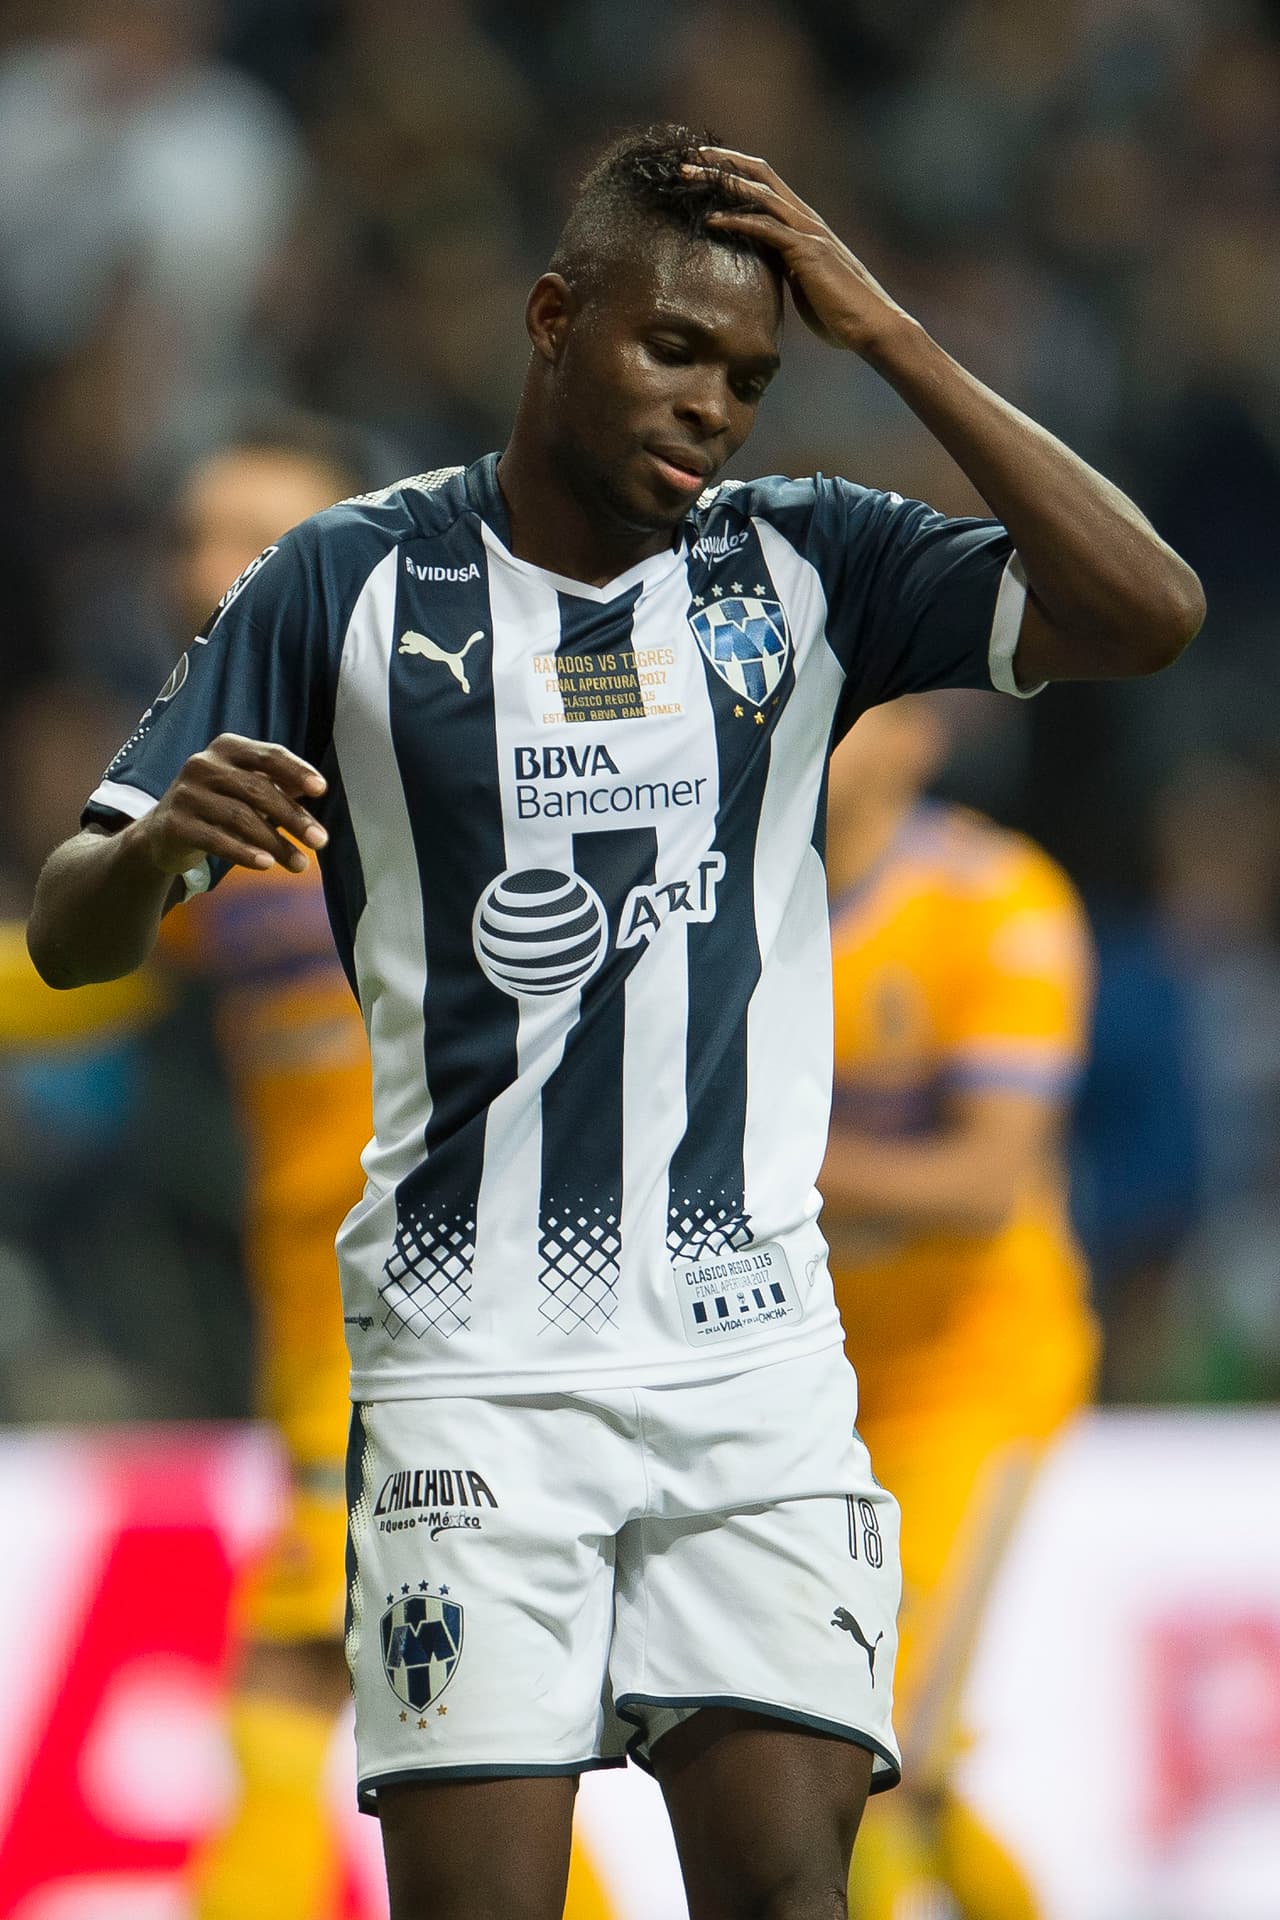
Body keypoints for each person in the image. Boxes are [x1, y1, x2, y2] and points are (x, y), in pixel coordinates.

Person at [27, 126, 1202, 1920]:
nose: (714, 407)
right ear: (553, 318)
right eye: (674, 351)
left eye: (751, 375)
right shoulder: (342, 581)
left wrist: (887, 338)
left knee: (790, 1890)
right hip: (467, 1366)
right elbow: (72, 929)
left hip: (750, 1368)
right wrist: (167, 837)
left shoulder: (807, 566)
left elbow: (1150, 610)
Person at [822, 697, 1096, 1920]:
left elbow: (987, 1182)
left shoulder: (995, 901)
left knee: (859, 1749)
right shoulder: (716, 907)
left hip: (970, 1374)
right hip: (797, 1387)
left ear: (912, 737)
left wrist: (752, 1164)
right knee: (872, 1762)